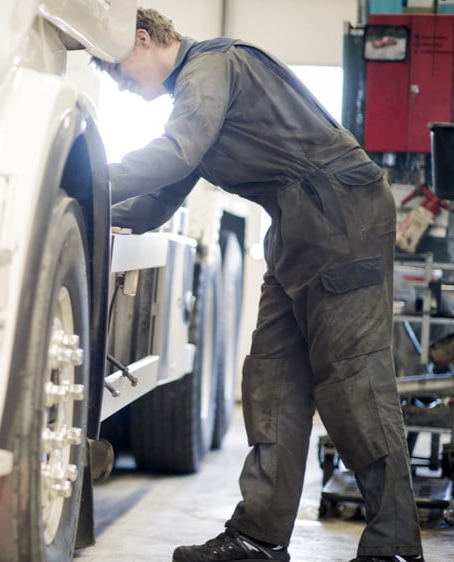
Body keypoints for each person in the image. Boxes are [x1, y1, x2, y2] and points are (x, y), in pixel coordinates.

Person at [93, 8, 425, 562]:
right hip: (298, 226)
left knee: (353, 381)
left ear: (143, 40)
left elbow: (175, 154)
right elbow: (160, 197)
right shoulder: (198, 93)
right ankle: (258, 536)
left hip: (341, 216)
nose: (120, 84)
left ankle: (395, 544)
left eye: (117, 69)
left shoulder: (212, 67)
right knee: (271, 381)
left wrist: (88, 172)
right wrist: (97, 208)